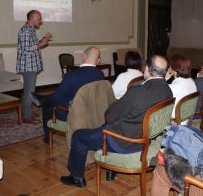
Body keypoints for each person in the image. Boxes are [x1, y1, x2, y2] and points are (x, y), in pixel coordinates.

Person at [60, 55, 173, 188]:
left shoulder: (138, 92)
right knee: (106, 125)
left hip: (124, 141)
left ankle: (76, 177)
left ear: (147, 69)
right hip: (145, 139)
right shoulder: (168, 91)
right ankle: (111, 170)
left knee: (78, 136)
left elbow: (109, 116)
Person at [38, 46, 104, 143]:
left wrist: (49, 100)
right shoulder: (100, 74)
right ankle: (44, 98)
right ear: (98, 60)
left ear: (84, 57)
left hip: (71, 113)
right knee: (53, 97)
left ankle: (48, 138)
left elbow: (56, 100)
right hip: (90, 110)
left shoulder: (71, 75)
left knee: (48, 103)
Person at [16, 10, 52, 124]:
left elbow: (32, 45)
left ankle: (26, 112)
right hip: (28, 66)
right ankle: (26, 117)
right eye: (39, 19)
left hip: (31, 65)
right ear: (32, 18)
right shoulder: (25, 31)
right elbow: (27, 49)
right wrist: (41, 44)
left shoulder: (30, 30)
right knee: (29, 92)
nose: (40, 22)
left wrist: (43, 40)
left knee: (29, 91)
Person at [166, 55, 197, 121]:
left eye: (170, 66)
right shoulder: (192, 81)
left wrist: (164, 80)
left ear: (174, 70)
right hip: (187, 120)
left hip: (174, 122)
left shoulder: (172, 87)